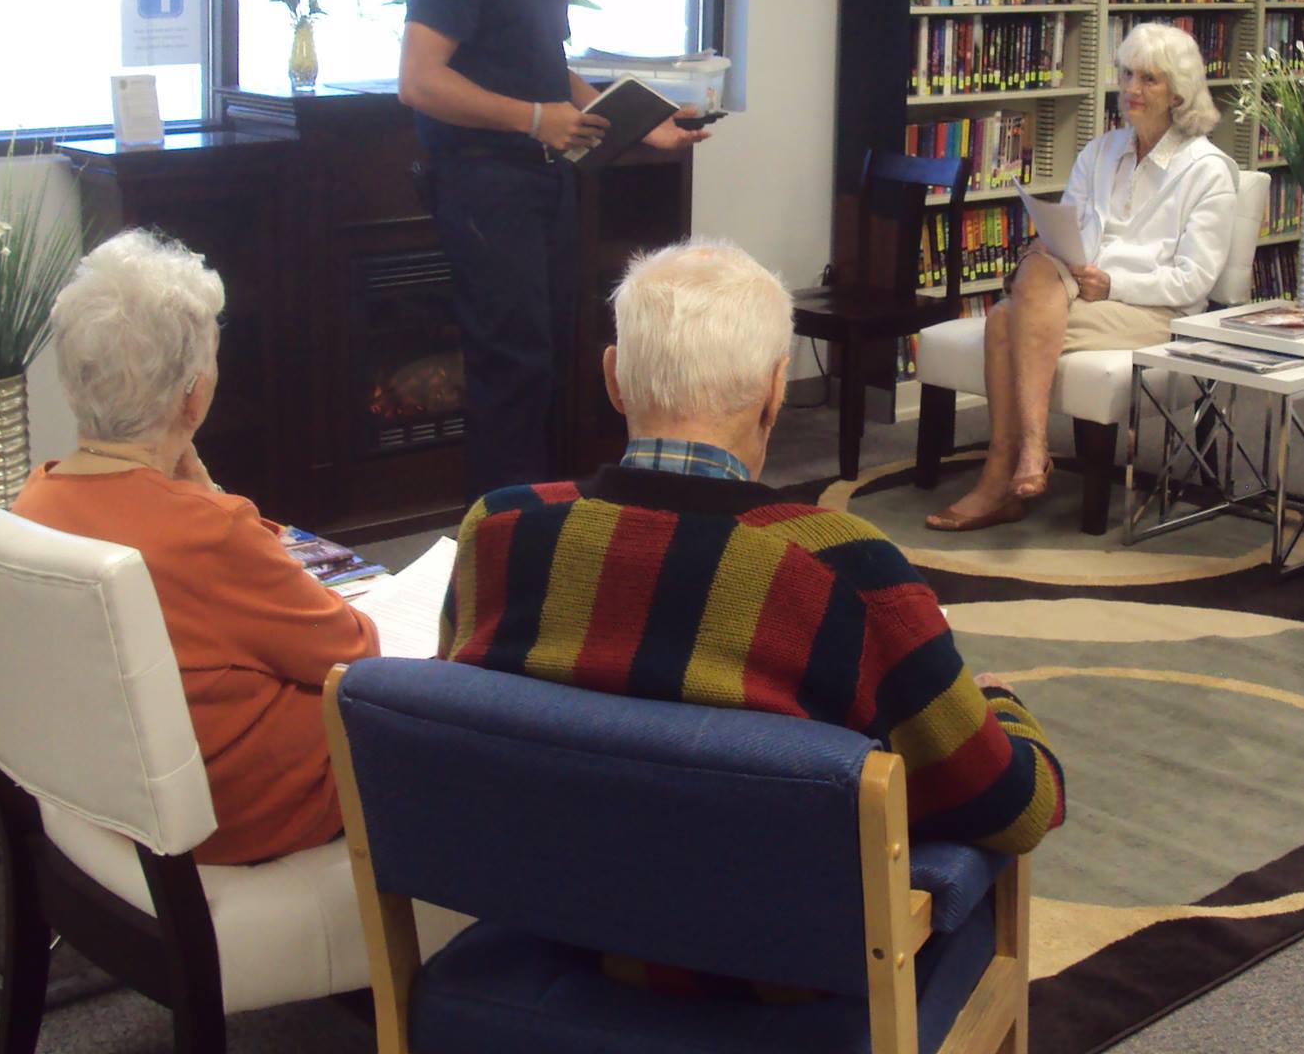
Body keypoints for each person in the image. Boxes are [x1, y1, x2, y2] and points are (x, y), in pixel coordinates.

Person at [442, 239, 1066, 859]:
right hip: (769, 952)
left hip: (543, 907)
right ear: (777, 388)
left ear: (614, 380)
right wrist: (1003, 705)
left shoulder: (498, 528)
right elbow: (1013, 809)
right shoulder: (849, 570)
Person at [13, 231, 379, 864]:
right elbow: (355, 650)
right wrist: (216, 503)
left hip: (115, 790)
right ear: (192, 395)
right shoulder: (207, 533)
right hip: (250, 811)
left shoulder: (35, 500)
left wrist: (207, 496)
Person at [398, 0, 709, 500]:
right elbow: (419, 82)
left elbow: (552, 69)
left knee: (547, 358)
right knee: (510, 362)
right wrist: (534, 119)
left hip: (547, 183)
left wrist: (642, 123)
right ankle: (504, 532)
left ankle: (540, 511)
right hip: (484, 185)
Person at [925, 20, 1240, 532]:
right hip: (1077, 294)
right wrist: (1055, 252)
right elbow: (1072, 233)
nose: (1133, 90)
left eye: (1150, 80)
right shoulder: (1101, 152)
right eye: (1128, 75)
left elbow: (1193, 282)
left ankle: (1008, 468)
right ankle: (1024, 458)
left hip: (1154, 311)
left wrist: (1112, 284)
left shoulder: (1208, 171)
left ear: (1179, 93)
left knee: (1004, 322)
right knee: (1037, 269)